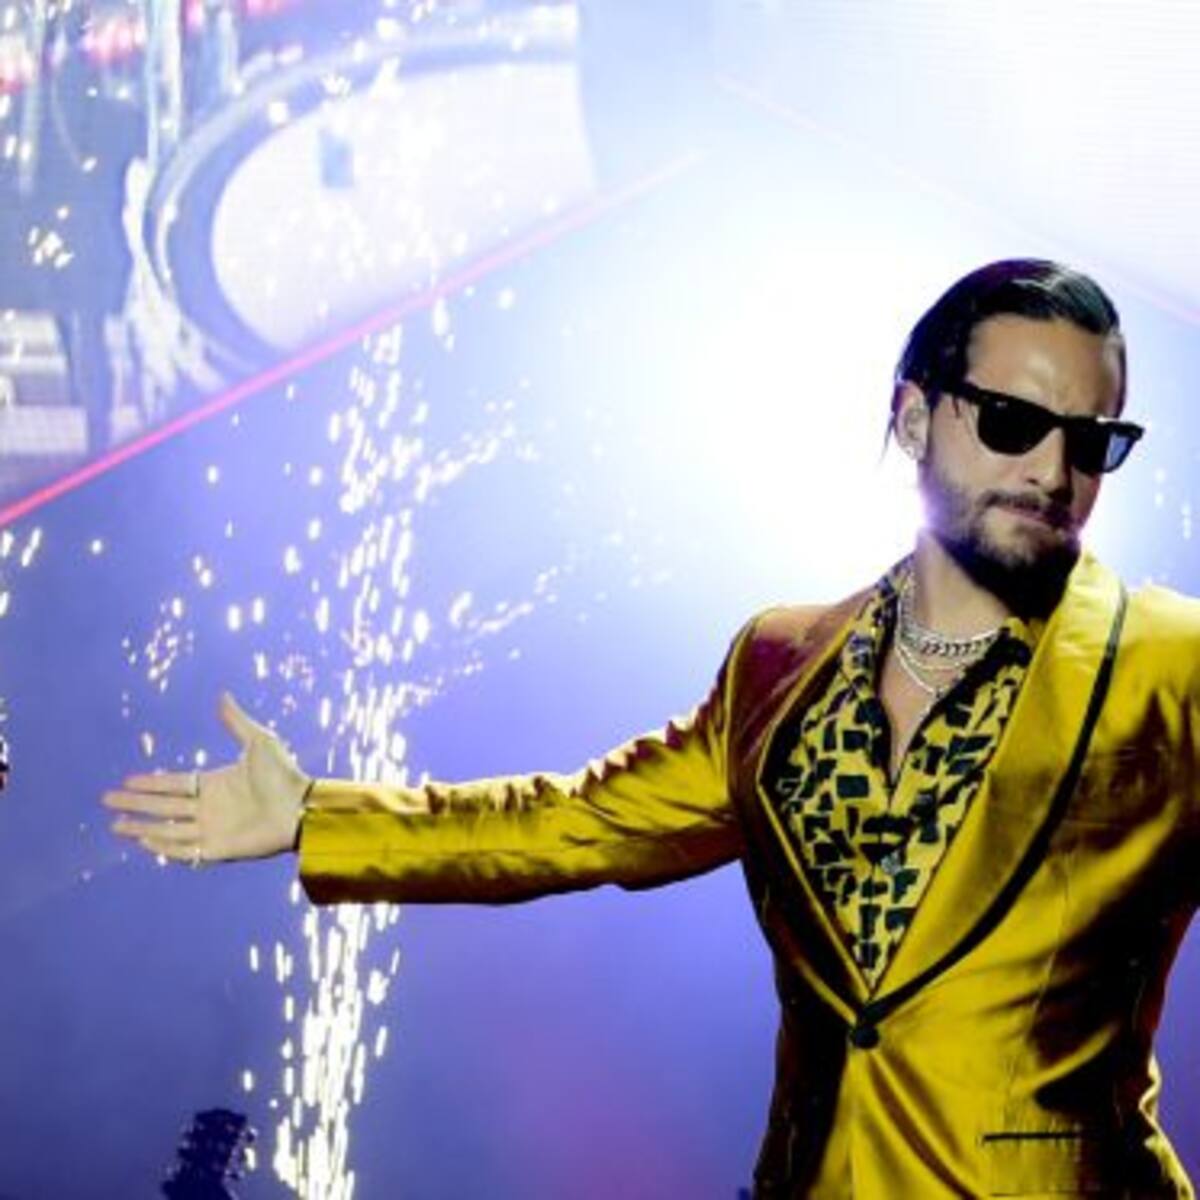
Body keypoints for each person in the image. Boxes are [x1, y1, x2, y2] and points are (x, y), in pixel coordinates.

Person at [103, 259, 1200, 1198]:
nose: (1053, 472)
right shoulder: (780, 661)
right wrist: (315, 815)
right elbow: (575, 823)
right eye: (1012, 423)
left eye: (1093, 442)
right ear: (915, 417)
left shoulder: (1172, 666)